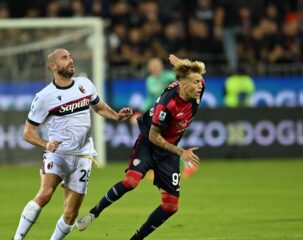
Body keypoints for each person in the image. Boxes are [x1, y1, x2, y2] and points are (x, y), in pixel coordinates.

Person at [76, 54, 206, 239]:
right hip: (150, 143)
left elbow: (196, 76)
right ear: (183, 84)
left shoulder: (197, 92)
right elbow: (154, 136)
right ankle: (94, 212)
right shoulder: (167, 105)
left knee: (171, 206)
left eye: (200, 82)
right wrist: (181, 152)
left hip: (168, 152)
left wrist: (186, 67)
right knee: (131, 181)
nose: (200, 86)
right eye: (195, 82)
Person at [12, 48, 132, 240]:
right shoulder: (44, 96)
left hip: (83, 156)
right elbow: (27, 133)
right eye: (64, 58)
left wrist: (116, 116)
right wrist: (45, 144)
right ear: (53, 66)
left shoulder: (85, 84)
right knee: (44, 194)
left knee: (70, 214)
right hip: (58, 154)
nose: (70, 60)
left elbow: (99, 106)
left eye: (70, 56)